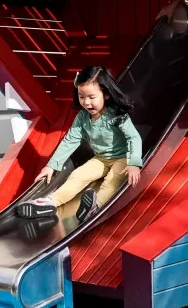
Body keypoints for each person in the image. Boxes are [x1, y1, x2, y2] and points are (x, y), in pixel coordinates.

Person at [15, 67, 143, 222]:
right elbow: (70, 140)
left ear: (106, 94)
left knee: (112, 180)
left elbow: (134, 137)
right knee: (78, 175)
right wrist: (51, 165)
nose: (86, 102)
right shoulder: (83, 117)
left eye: (92, 97)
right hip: (101, 159)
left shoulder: (117, 115)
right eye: (82, 96)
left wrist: (134, 163)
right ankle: (51, 202)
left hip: (123, 158)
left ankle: (95, 207)